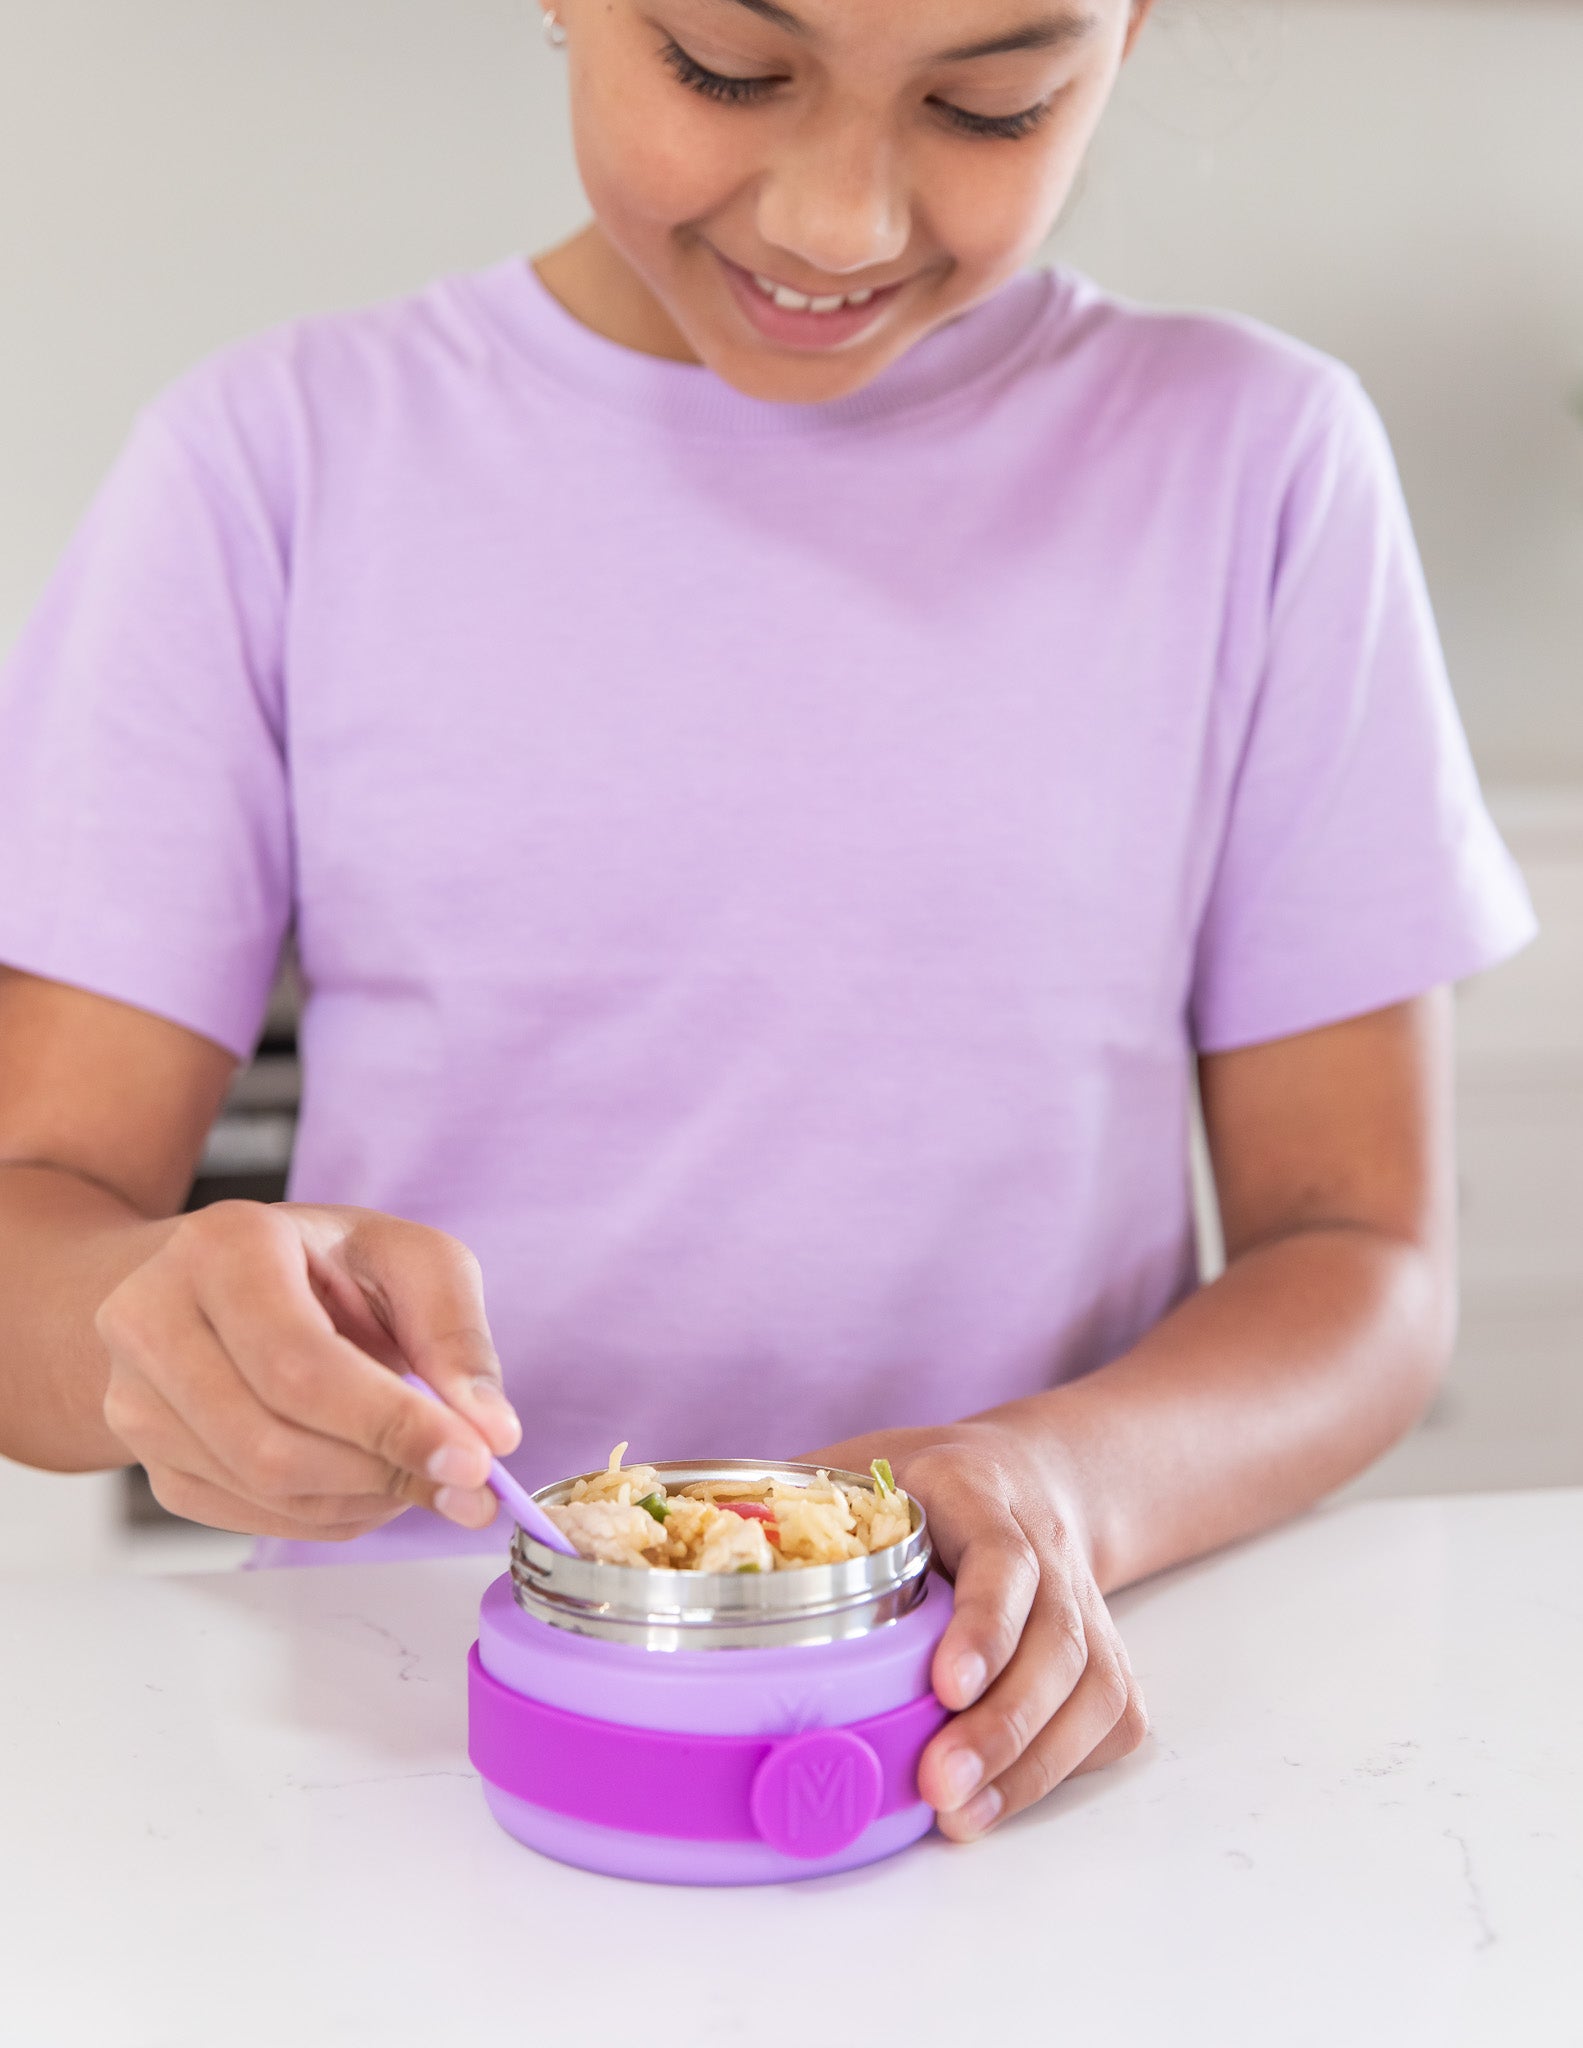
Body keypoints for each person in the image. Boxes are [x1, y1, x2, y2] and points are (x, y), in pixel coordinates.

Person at [0, 0, 1535, 1846]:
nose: (838, 221)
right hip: (405, 1747)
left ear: (1128, 34)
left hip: (1015, 1736)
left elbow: (1363, 1262)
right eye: (728, 71)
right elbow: (31, 1228)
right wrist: (153, 1340)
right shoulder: (272, 466)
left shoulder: (1259, 463)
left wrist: (1062, 1482)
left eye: (990, 105)